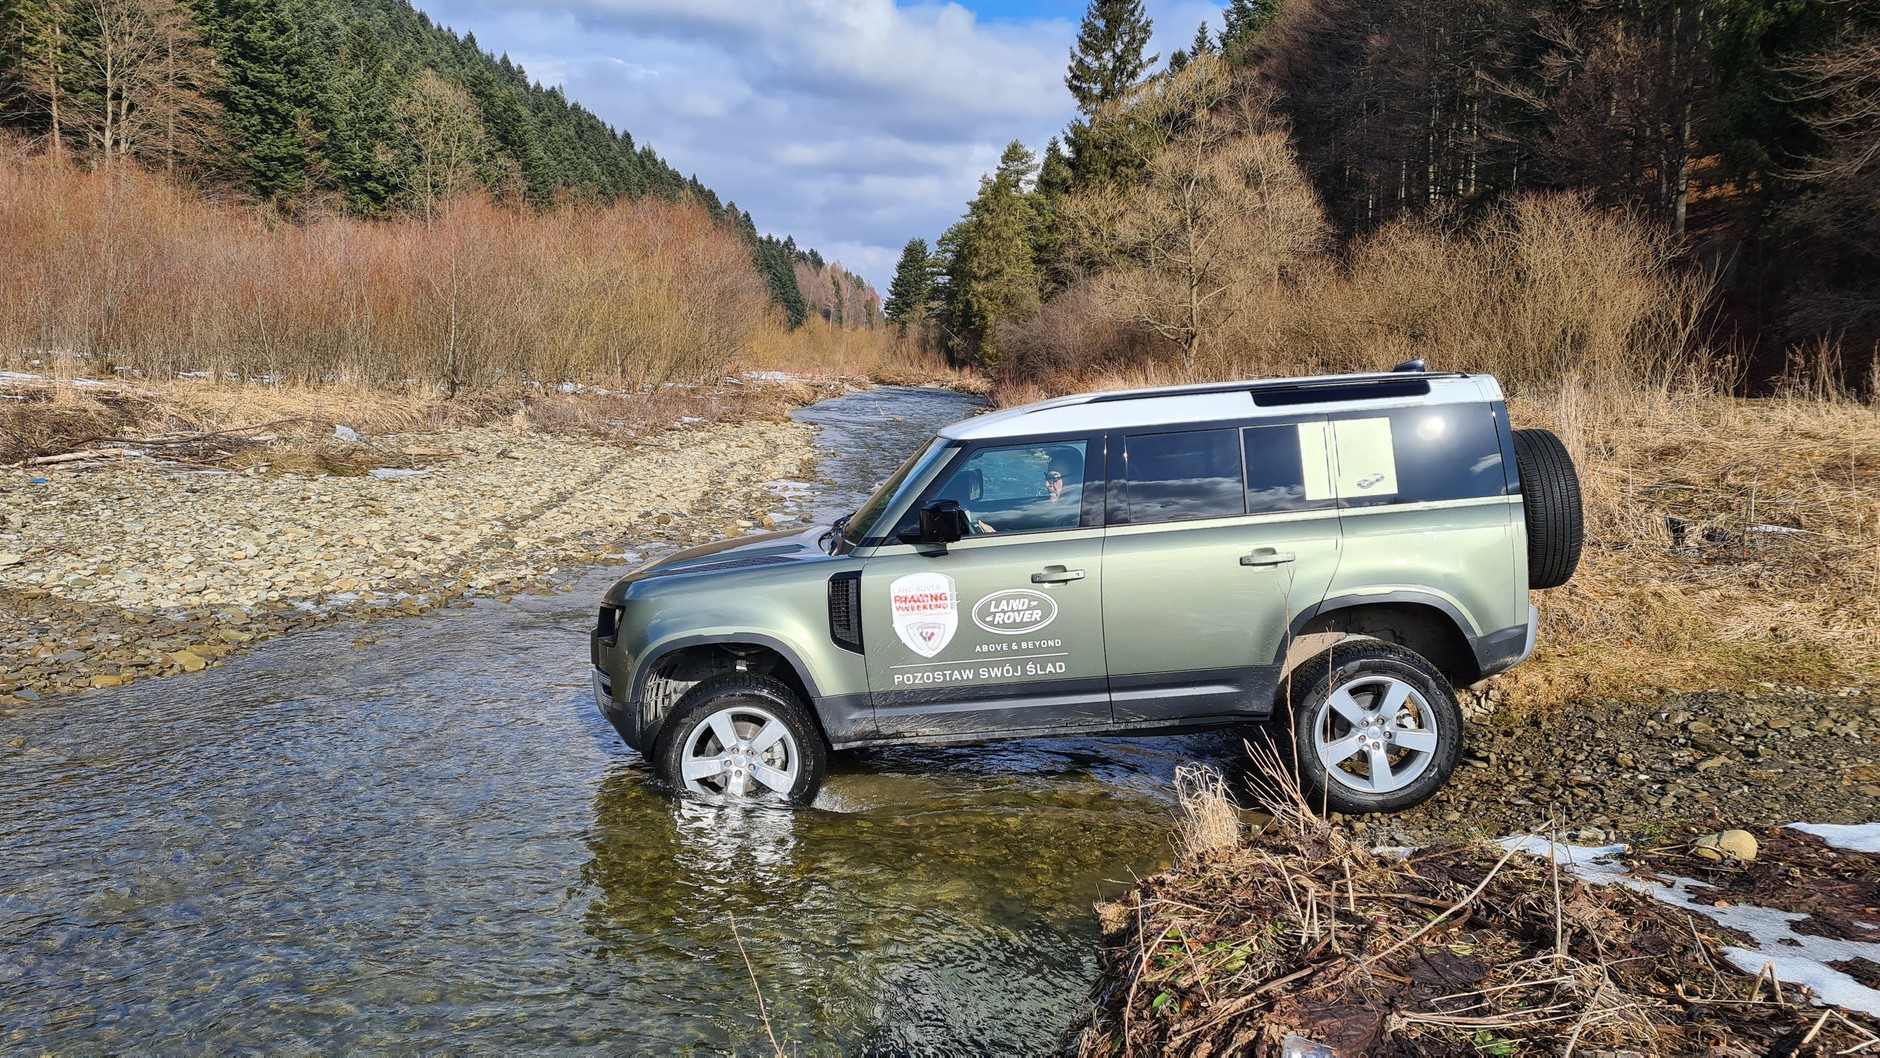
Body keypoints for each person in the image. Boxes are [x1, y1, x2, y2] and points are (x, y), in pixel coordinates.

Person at [975, 448, 1081, 533]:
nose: (1047, 484)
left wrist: (995, 539)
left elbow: (1049, 554)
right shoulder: (1065, 510)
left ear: (1075, 480)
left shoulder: (1077, 519)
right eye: (1047, 478)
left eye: (1054, 479)